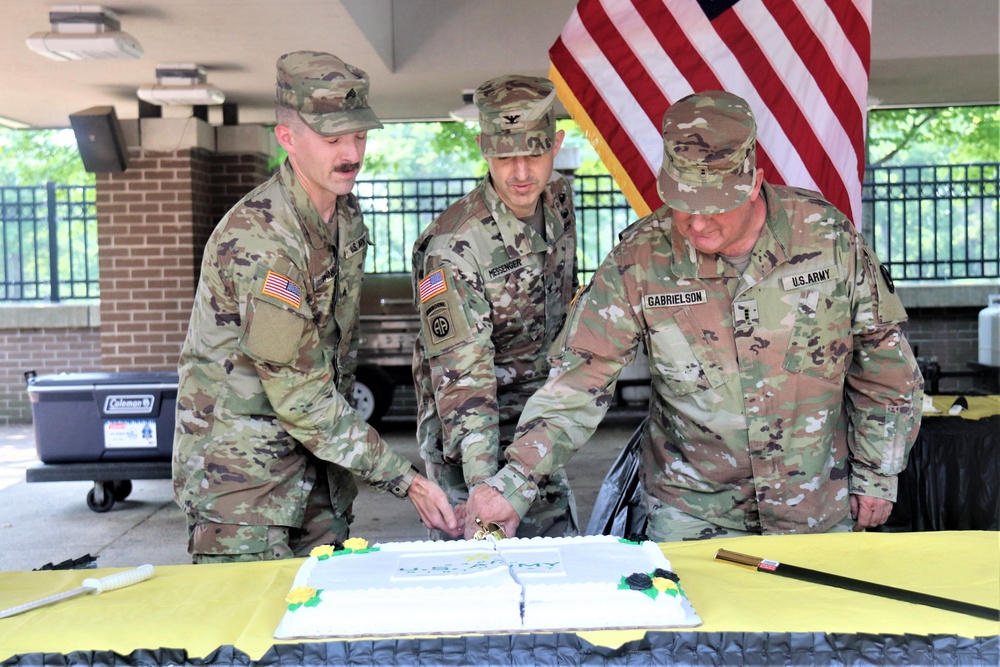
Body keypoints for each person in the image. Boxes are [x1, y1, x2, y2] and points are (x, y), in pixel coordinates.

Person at [463, 90, 924, 541]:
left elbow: (883, 364)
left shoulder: (828, 239)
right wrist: (515, 483)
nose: (697, 224)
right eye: (683, 205)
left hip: (814, 505)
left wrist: (878, 473)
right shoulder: (640, 259)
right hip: (691, 512)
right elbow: (581, 380)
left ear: (754, 182)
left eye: (713, 206)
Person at [173, 51, 459, 563]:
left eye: (360, 136)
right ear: (287, 138)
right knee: (250, 638)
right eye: (332, 140)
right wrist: (405, 480)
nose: (351, 153)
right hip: (244, 486)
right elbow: (301, 394)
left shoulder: (345, 214)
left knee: (323, 632)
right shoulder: (262, 241)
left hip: (319, 473)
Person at [410, 75, 580, 538]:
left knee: (554, 565)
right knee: (478, 574)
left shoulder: (559, 201)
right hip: (468, 438)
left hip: (536, 428)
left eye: (534, 153)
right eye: (505, 157)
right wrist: (485, 489)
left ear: (557, 143)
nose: (521, 173)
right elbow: (463, 378)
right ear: (484, 149)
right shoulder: (452, 247)